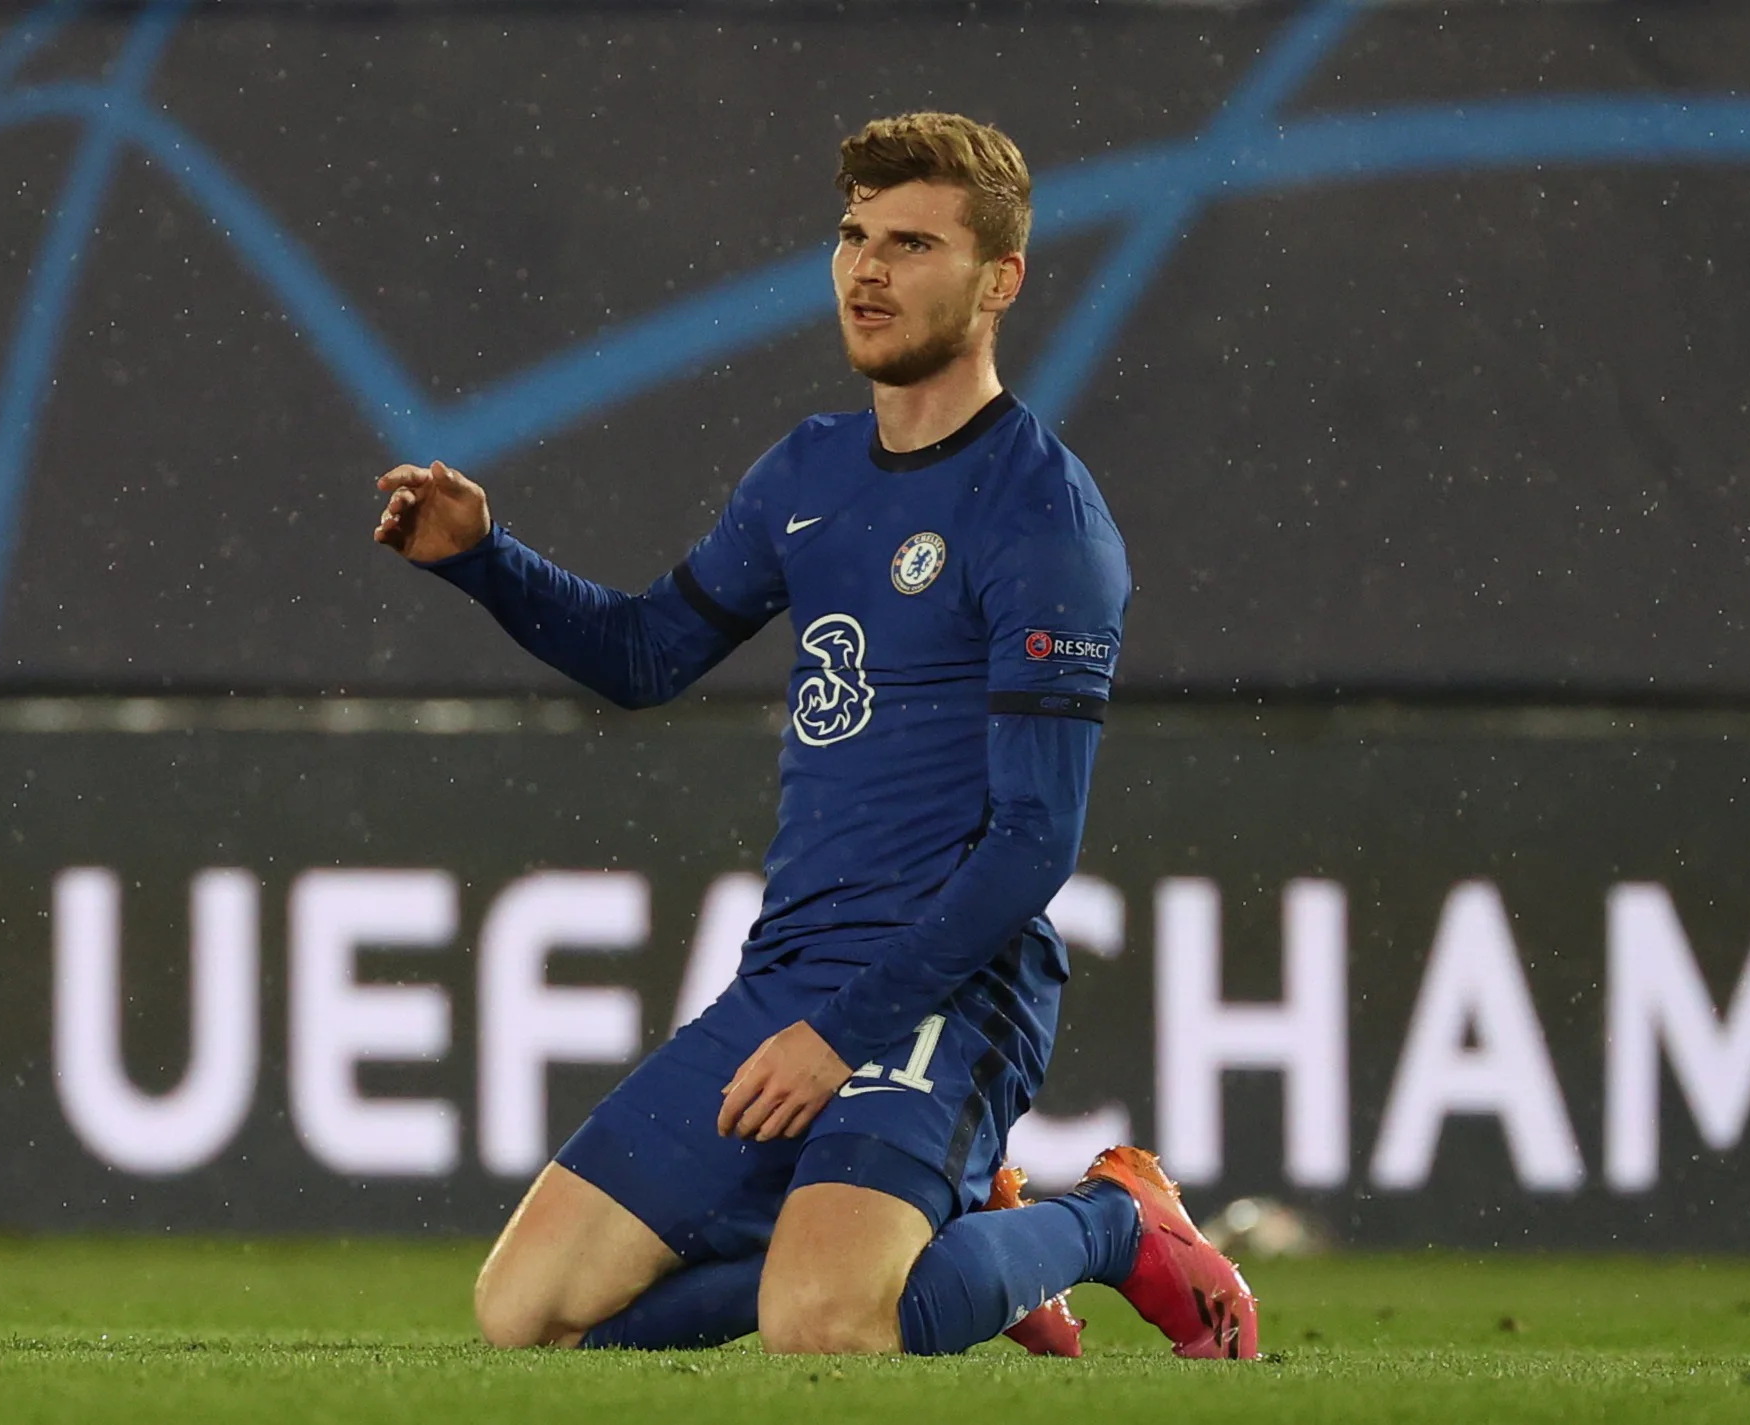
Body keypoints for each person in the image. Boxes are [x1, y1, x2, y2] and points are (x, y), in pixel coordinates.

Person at [372, 111, 1257, 1360]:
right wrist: (483, 561)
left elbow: (1032, 843)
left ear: (999, 280)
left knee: (825, 1324)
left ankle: (1112, 1223)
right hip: (790, 974)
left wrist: (841, 1038)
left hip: (952, 987)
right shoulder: (809, 474)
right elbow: (645, 658)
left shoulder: (1043, 518)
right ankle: (944, 1244)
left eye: (912, 244)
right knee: (527, 1315)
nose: (867, 270)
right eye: (853, 237)